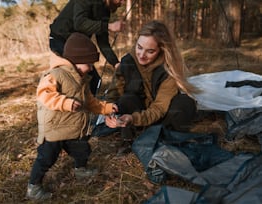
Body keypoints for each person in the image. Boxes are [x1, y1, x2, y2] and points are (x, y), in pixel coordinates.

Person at [26, 32, 118, 201]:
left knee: (82, 149)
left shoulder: (82, 79)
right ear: (76, 61)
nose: (91, 68)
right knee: (46, 158)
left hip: (73, 129)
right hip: (54, 129)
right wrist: (64, 102)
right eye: (88, 64)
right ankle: (34, 186)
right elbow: (43, 94)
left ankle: (80, 169)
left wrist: (106, 108)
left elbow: (90, 102)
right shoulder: (56, 74)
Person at [105, 20, 200, 155]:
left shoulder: (168, 71)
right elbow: (113, 93)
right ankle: (128, 139)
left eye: (150, 51)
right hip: (135, 112)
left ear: (161, 50)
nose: (142, 55)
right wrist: (108, 112)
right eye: (139, 47)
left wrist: (134, 119)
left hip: (160, 116)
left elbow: (159, 108)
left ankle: (170, 139)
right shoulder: (127, 62)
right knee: (126, 99)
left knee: (184, 103)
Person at [49, 0, 125, 95]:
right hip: (60, 40)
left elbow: (103, 43)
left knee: (94, 80)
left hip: (76, 44)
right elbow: (80, 23)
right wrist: (108, 26)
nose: (122, 3)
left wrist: (115, 63)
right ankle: (62, 105)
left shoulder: (105, 11)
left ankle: (88, 107)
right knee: (70, 77)